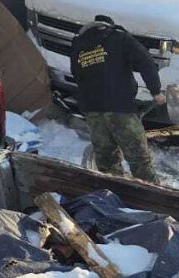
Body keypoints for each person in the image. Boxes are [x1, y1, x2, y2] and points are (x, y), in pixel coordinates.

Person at [71, 15, 165, 183]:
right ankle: (152, 196)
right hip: (120, 108)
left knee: (106, 161)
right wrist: (156, 91)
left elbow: (76, 75)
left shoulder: (78, 45)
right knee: (138, 157)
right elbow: (146, 62)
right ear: (108, 25)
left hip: (92, 110)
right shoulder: (119, 38)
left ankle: (115, 195)